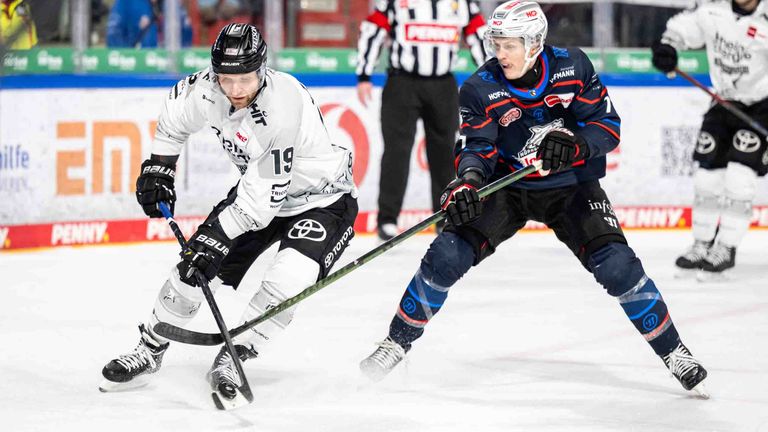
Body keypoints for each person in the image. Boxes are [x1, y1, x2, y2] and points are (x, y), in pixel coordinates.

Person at [359, 1, 709, 398]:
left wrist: (576, 145)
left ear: (535, 42)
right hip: (508, 186)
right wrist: (468, 181)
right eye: (496, 43)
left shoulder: (573, 67)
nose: (500, 53)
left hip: (571, 186)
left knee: (618, 267)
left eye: (510, 45)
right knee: (446, 255)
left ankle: (674, 352)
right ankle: (395, 342)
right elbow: (477, 147)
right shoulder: (479, 86)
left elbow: (607, 127)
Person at [99, 24, 358, 402]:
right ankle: (149, 349)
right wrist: (160, 168)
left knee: (289, 279)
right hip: (258, 190)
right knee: (193, 268)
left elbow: (265, 199)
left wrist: (216, 238)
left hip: (323, 201)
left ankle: (235, 356)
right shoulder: (205, 89)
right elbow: (173, 120)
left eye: (245, 79)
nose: (235, 90)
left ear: (263, 70)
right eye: (226, 79)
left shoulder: (280, 107)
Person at [651, 0, 768, 280]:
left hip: (762, 106)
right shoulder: (712, 9)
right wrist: (667, 48)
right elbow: (681, 29)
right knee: (707, 178)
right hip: (724, 102)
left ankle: (725, 248)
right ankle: (702, 243)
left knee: (740, 177)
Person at [355, 0, 487, 241]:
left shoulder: (463, 2)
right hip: (402, 83)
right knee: (397, 152)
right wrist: (364, 73)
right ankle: (387, 220)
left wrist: (490, 74)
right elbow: (373, 29)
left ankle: (445, 215)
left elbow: (478, 35)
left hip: (443, 84)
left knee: (445, 153)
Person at [106, 0, 193, 48]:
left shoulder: (173, 5)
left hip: (168, 68)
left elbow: (187, 38)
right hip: (137, 67)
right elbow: (113, 38)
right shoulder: (126, 3)